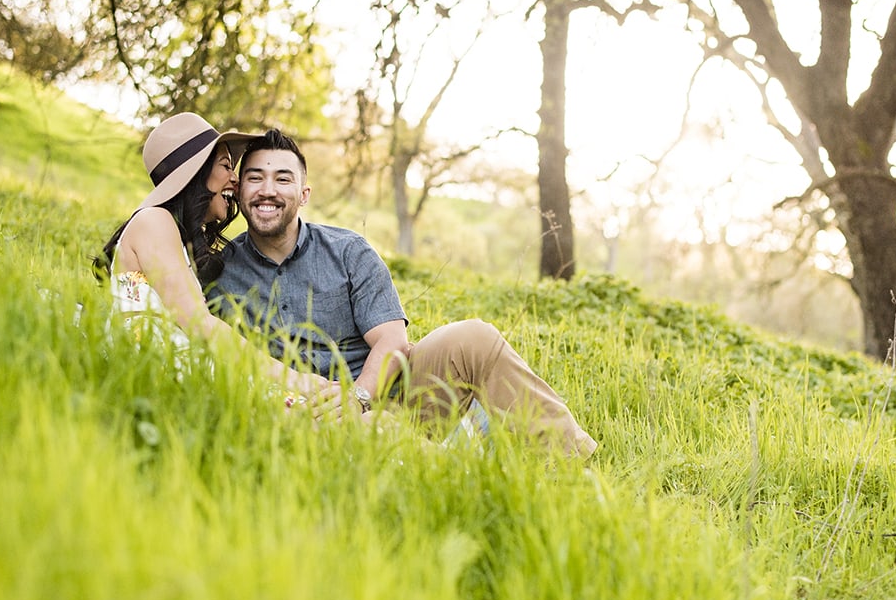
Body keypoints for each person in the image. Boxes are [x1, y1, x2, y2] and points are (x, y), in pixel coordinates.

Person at [206, 128, 597, 459]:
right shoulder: (221, 272)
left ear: (304, 194)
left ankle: (570, 466)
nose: (268, 190)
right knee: (381, 439)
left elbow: (393, 342)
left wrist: (358, 398)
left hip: (387, 399)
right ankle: (462, 467)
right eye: (256, 178)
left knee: (475, 337)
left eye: (283, 179)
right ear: (239, 190)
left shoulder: (348, 251)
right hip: (301, 420)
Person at [95, 113, 336, 411]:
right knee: (310, 414)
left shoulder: (168, 231)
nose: (235, 179)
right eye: (225, 165)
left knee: (331, 418)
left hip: (180, 368)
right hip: (164, 372)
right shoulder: (154, 221)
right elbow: (200, 325)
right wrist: (294, 379)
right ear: (197, 172)